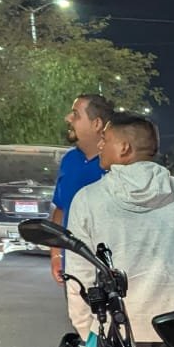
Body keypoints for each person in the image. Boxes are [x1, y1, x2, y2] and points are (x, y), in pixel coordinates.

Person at [63, 113, 174, 347]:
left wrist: (89, 332)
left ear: (125, 147)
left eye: (105, 139)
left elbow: (78, 276)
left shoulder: (88, 199)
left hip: (116, 336)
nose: (100, 145)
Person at [50, 93, 114, 284]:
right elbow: (61, 209)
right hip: (75, 270)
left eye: (75, 115)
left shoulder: (117, 164)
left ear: (96, 124)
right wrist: (56, 256)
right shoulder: (69, 161)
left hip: (111, 271)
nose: (68, 119)